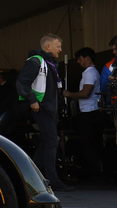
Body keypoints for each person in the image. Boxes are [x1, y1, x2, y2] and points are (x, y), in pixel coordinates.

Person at [16, 34, 72, 191]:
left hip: (48, 108)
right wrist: (33, 100)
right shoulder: (36, 61)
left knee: (47, 142)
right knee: (52, 141)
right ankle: (51, 179)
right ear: (48, 47)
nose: (61, 50)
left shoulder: (50, 63)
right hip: (41, 108)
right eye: (58, 46)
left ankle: (33, 178)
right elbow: (22, 82)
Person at [62, 47, 106, 176]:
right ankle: (101, 173)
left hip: (90, 113)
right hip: (91, 112)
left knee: (88, 144)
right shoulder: (90, 73)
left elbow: (85, 93)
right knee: (95, 143)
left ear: (87, 58)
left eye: (80, 59)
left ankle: (97, 173)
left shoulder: (90, 73)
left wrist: (69, 94)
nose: (78, 62)